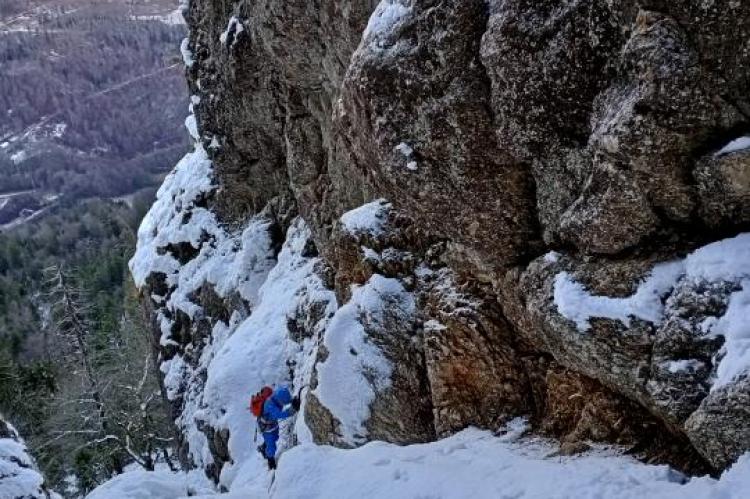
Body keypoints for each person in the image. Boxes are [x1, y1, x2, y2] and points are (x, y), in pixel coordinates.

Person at [257, 385, 300, 470]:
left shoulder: (275, 398)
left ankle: (264, 447)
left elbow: (285, 399)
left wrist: (292, 401)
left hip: (272, 425)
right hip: (267, 429)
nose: (283, 404)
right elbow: (281, 414)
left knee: (276, 437)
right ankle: (270, 460)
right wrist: (293, 409)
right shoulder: (271, 406)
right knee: (272, 446)